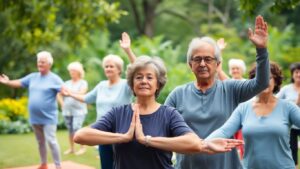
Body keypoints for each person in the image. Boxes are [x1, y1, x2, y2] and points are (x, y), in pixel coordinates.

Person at [73, 56, 244, 169]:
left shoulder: (168, 114)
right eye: (138, 77)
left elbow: (192, 142)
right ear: (132, 84)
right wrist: (123, 137)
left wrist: (146, 140)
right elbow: (81, 135)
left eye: (149, 77)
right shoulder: (118, 113)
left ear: (158, 84)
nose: (144, 81)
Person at [164, 15, 270, 169]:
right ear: (190, 64)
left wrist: (261, 50)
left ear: (217, 64)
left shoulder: (230, 89)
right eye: (197, 59)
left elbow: (261, 83)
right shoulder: (178, 94)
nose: (202, 64)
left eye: (208, 59)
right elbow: (163, 131)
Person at [61, 33, 135, 169]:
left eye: (111, 66)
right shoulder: (101, 86)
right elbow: (86, 98)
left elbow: (137, 69)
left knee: (123, 165)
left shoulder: (126, 85)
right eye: (106, 66)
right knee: (106, 166)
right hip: (102, 133)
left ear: (119, 69)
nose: (108, 69)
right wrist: (69, 94)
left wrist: (128, 50)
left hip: (122, 133)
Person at [207, 62, 300, 169]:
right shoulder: (243, 108)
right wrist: (202, 144)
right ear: (254, 82)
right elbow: (223, 131)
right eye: (260, 77)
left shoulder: (288, 107)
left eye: (269, 77)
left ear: (276, 81)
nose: (265, 81)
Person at [0, 51, 63, 169]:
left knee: (51, 141)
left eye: (42, 62)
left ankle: (58, 166)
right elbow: (19, 82)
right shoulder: (33, 77)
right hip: (35, 117)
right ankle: (44, 163)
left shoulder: (55, 79)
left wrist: (67, 95)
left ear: (49, 64)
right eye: (39, 61)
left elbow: (64, 90)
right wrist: (7, 82)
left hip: (49, 117)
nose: (40, 63)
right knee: (40, 142)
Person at [60, 61, 88, 155]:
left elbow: (82, 93)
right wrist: (62, 104)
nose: (71, 72)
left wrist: (69, 93)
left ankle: (82, 147)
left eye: (73, 70)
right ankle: (72, 148)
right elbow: (59, 94)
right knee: (70, 130)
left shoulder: (83, 83)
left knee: (77, 128)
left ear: (79, 72)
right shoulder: (66, 83)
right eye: (70, 71)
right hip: (67, 111)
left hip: (79, 111)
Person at [277, 62, 300, 168]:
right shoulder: (286, 89)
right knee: (292, 150)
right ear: (292, 74)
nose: (299, 74)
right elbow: (275, 101)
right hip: (290, 126)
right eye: (296, 72)